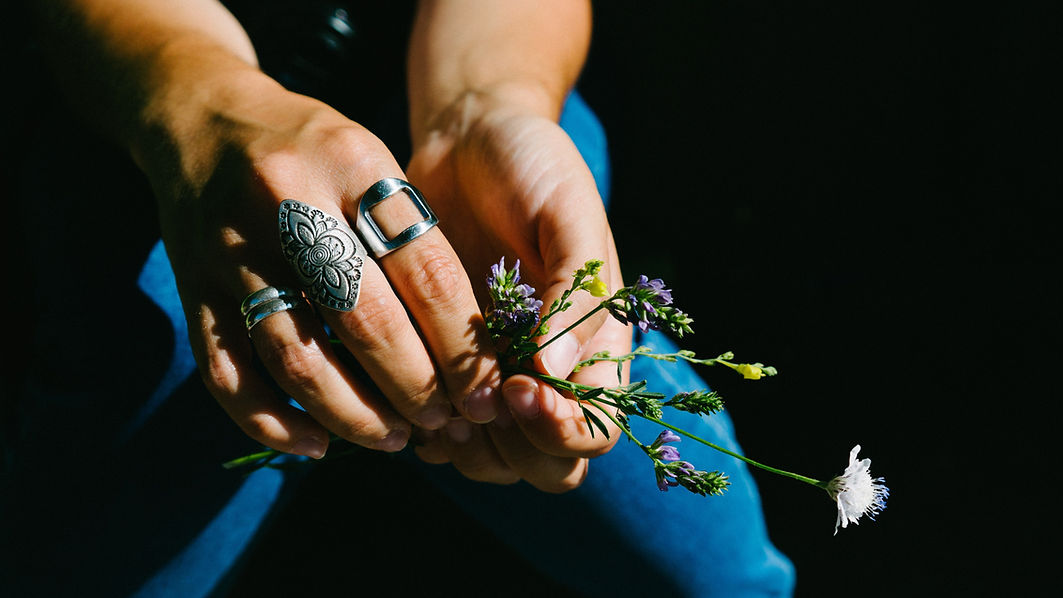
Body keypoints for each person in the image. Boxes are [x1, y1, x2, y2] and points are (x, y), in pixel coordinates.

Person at [2, 1, 795, 596]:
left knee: (711, 570)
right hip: (148, 76)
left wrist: (482, 108)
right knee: (174, 360)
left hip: (463, 70)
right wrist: (206, 113)